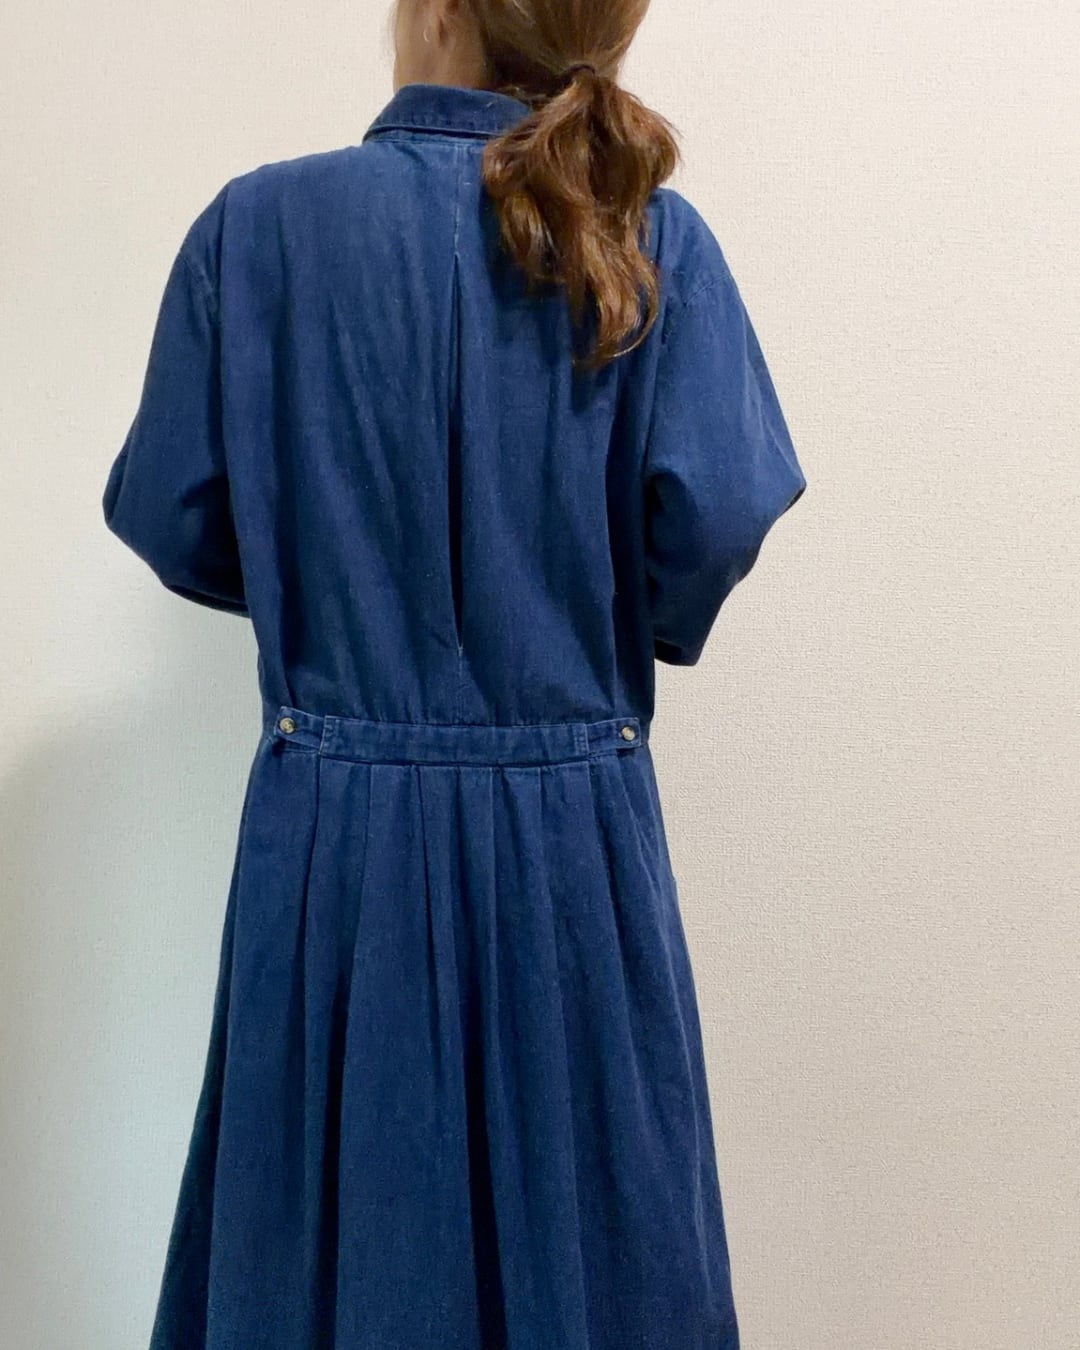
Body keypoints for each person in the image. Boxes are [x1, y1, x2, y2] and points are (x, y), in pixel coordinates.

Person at [102, 0, 807, 1345]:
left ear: (437, 8)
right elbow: (715, 516)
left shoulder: (258, 231)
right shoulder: (653, 243)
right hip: (574, 853)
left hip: (336, 849)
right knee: (596, 1253)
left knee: (331, 1255)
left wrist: (326, 575)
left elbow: (178, 516)